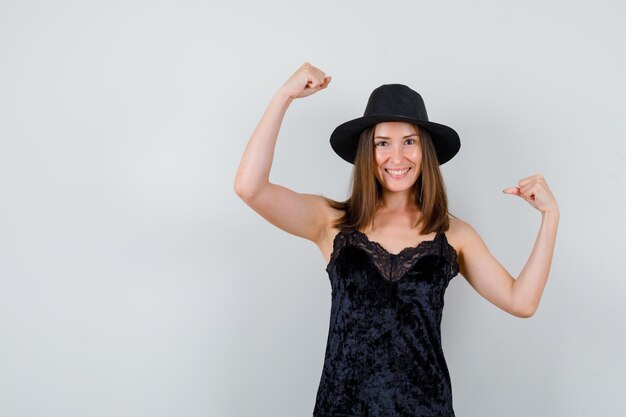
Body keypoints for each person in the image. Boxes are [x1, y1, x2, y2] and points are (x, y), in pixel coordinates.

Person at [234, 62, 560, 417]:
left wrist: (550, 217)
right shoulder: (331, 221)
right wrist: (284, 96)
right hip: (342, 408)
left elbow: (521, 301)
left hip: (426, 408)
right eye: (382, 144)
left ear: (425, 151)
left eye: (409, 142)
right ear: (367, 152)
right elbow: (249, 188)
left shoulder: (453, 233)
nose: (397, 157)